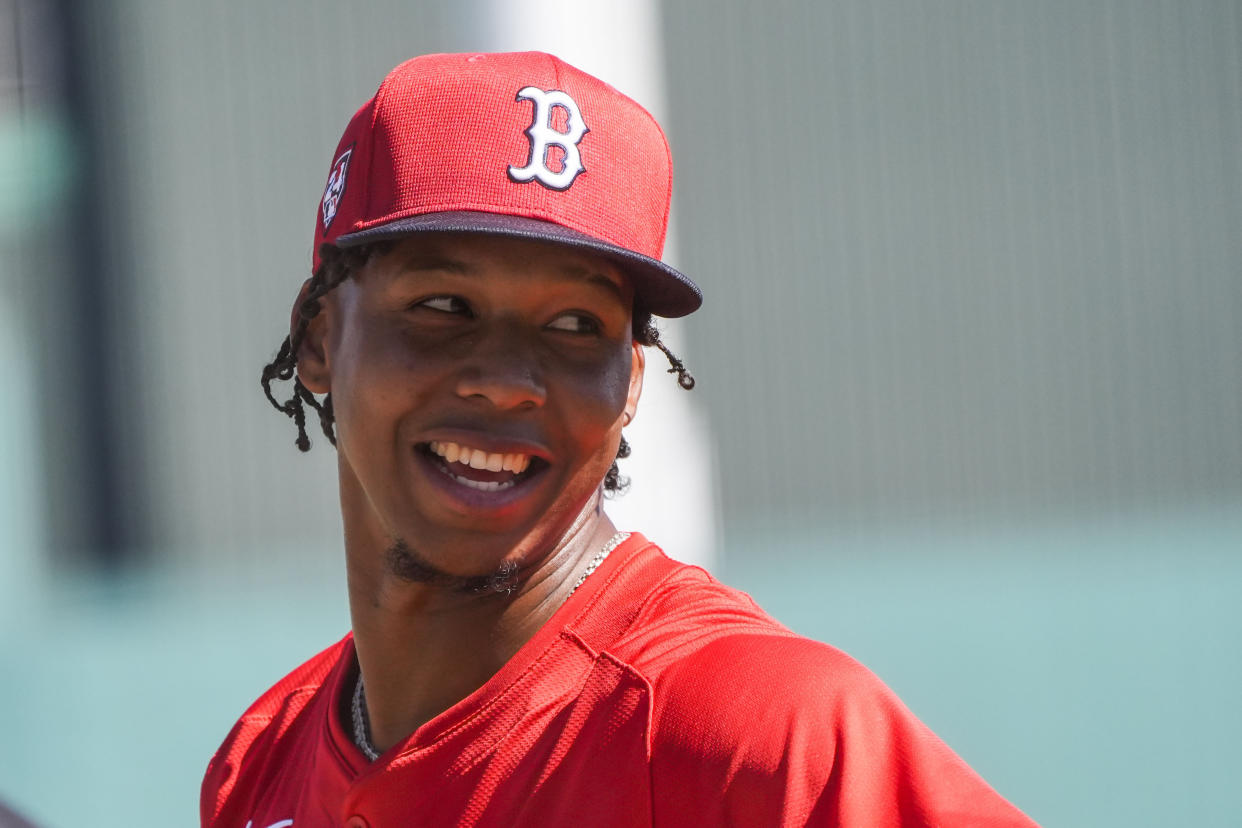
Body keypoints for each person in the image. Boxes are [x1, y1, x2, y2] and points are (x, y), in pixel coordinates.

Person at [201, 51, 1038, 827]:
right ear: (316, 337)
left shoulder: (764, 736)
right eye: (443, 306)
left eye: (575, 324)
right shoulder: (260, 764)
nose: (508, 379)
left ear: (631, 384)